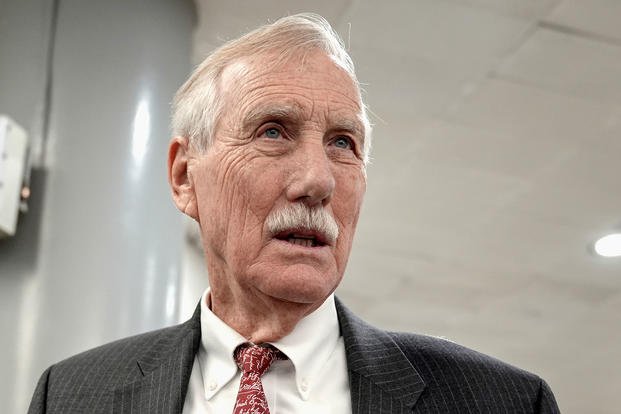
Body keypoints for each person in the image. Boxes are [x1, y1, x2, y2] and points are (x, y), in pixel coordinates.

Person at [28, 13, 560, 414]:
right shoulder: (73, 396)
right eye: (273, 131)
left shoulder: (505, 401)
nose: (318, 181)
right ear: (185, 176)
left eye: (343, 143)